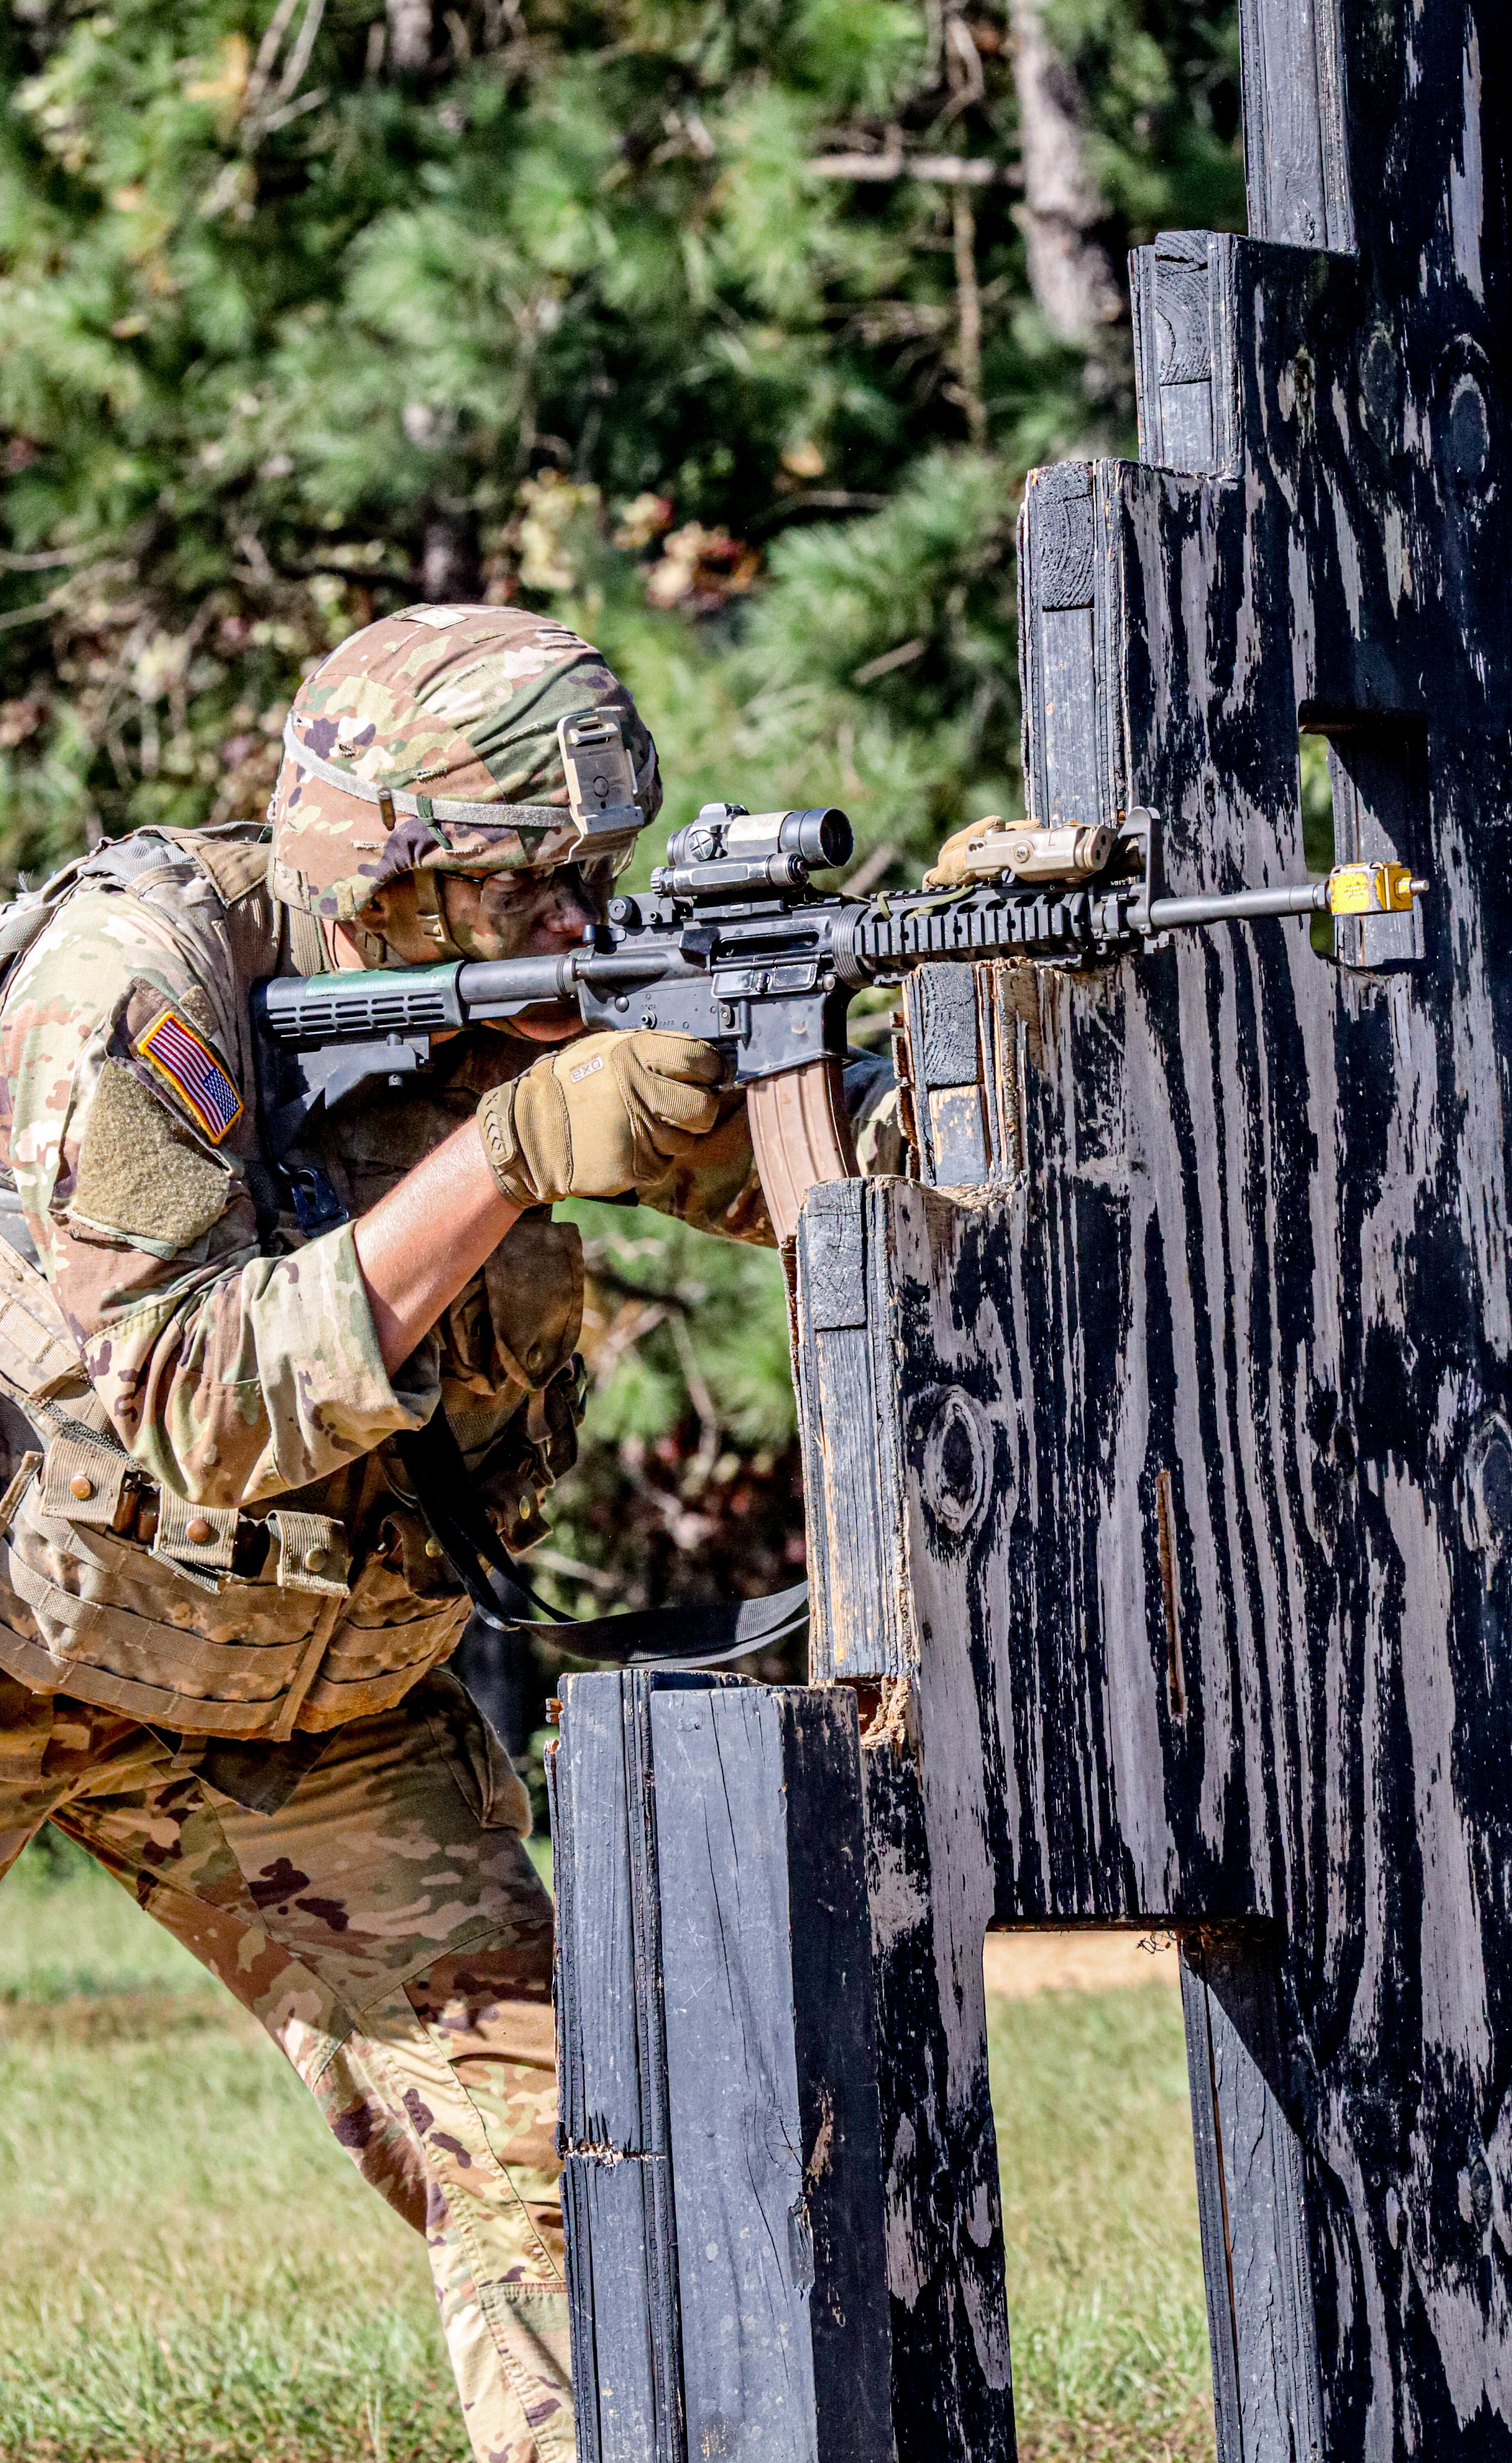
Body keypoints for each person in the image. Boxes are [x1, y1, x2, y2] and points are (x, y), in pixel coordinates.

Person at [0, 604, 896, 2463]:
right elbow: (196, 1400)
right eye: (531, 882)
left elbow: (850, 1192)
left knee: (574, 2171)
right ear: (391, 872)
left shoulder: (526, 993)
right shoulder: (138, 981)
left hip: (309, 1705)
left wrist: (966, 1021)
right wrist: (501, 1159)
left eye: (599, 875)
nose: (580, 919)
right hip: (26, 1626)